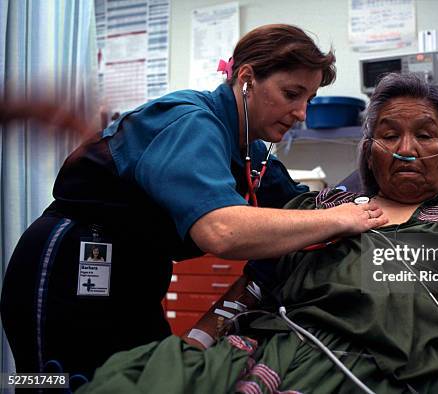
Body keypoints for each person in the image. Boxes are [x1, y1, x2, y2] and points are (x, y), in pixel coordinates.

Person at [76, 73, 438, 394]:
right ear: (369, 152)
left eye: (427, 136)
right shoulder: (318, 210)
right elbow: (250, 289)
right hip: (278, 352)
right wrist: (196, 346)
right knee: (123, 380)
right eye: (389, 136)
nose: (407, 149)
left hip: (413, 371)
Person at [0, 24, 387, 380]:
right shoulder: (191, 123)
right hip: (75, 261)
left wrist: (373, 200)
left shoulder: (246, 146)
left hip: (137, 275)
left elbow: (302, 208)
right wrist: (342, 219)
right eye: (291, 94)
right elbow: (223, 230)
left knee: (137, 381)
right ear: (247, 78)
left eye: (310, 98)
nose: (301, 113)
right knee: (62, 383)